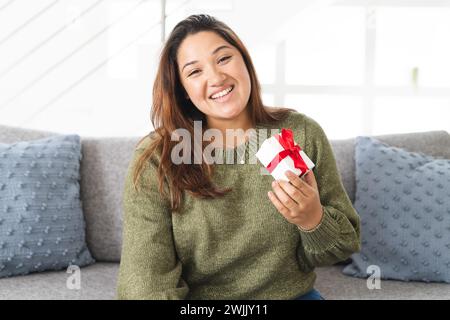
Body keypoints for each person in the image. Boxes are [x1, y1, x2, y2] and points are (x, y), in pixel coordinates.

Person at [116, 14, 361, 300]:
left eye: (223, 59)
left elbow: (344, 245)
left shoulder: (301, 133)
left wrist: (313, 219)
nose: (217, 78)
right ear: (182, 89)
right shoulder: (157, 159)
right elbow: (145, 283)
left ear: (245, 61)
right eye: (195, 72)